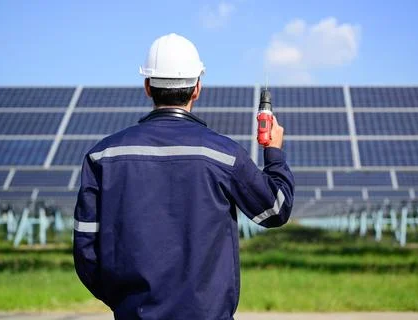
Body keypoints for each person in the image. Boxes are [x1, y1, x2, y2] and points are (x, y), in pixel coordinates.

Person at [73, 33, 294, 320]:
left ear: (147, 86)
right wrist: (273, 153)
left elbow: (86, 251)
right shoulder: (224, 155)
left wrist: (125, 301)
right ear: (197, 88)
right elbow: (275, 210)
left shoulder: (102, 156)